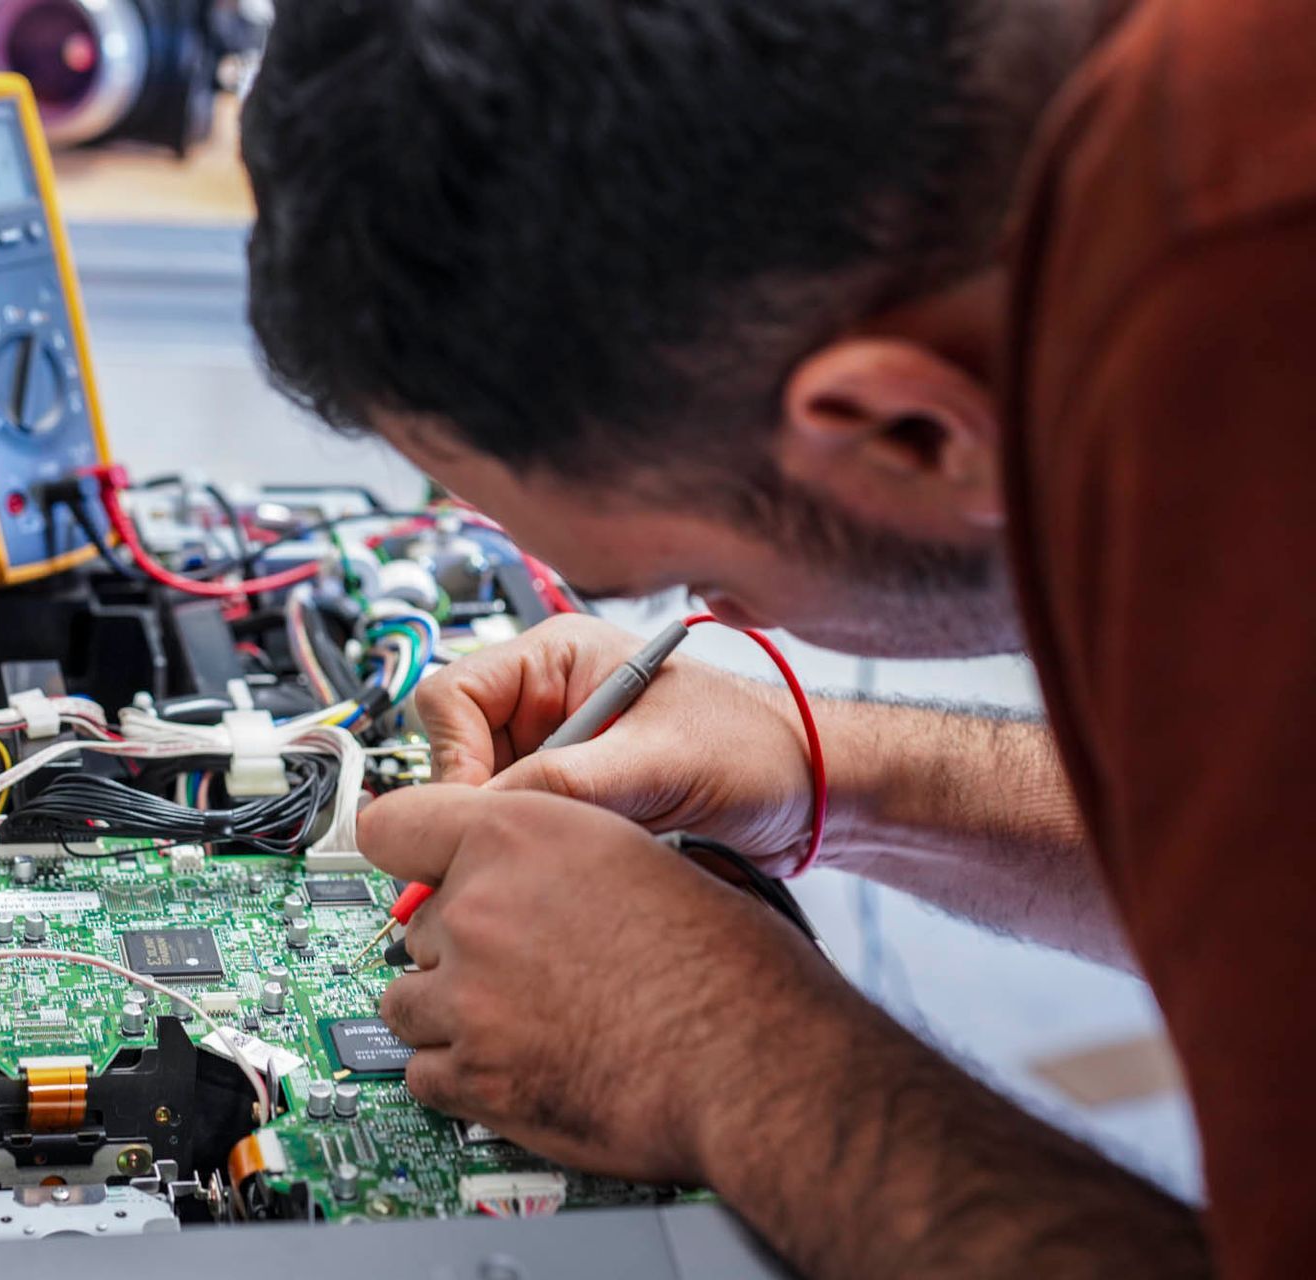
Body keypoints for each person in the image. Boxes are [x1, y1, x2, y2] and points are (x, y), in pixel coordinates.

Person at [239, 0, 1316, 1275]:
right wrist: (828, 767)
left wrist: (723, 1043)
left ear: (907, 431)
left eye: (699, 575)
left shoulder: (1241, 338)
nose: (721, 623)